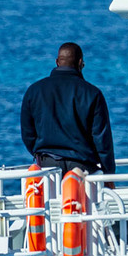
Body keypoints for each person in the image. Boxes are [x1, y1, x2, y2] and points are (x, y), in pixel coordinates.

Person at [20, 41, 115, 174]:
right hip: (82, 167)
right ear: (80, 63)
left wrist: (41, 155)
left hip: (47, 167)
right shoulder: (92, 93)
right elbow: (102, 140)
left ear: (57, 62)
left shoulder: (34, 91)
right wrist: (108, 173)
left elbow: (28, 135)